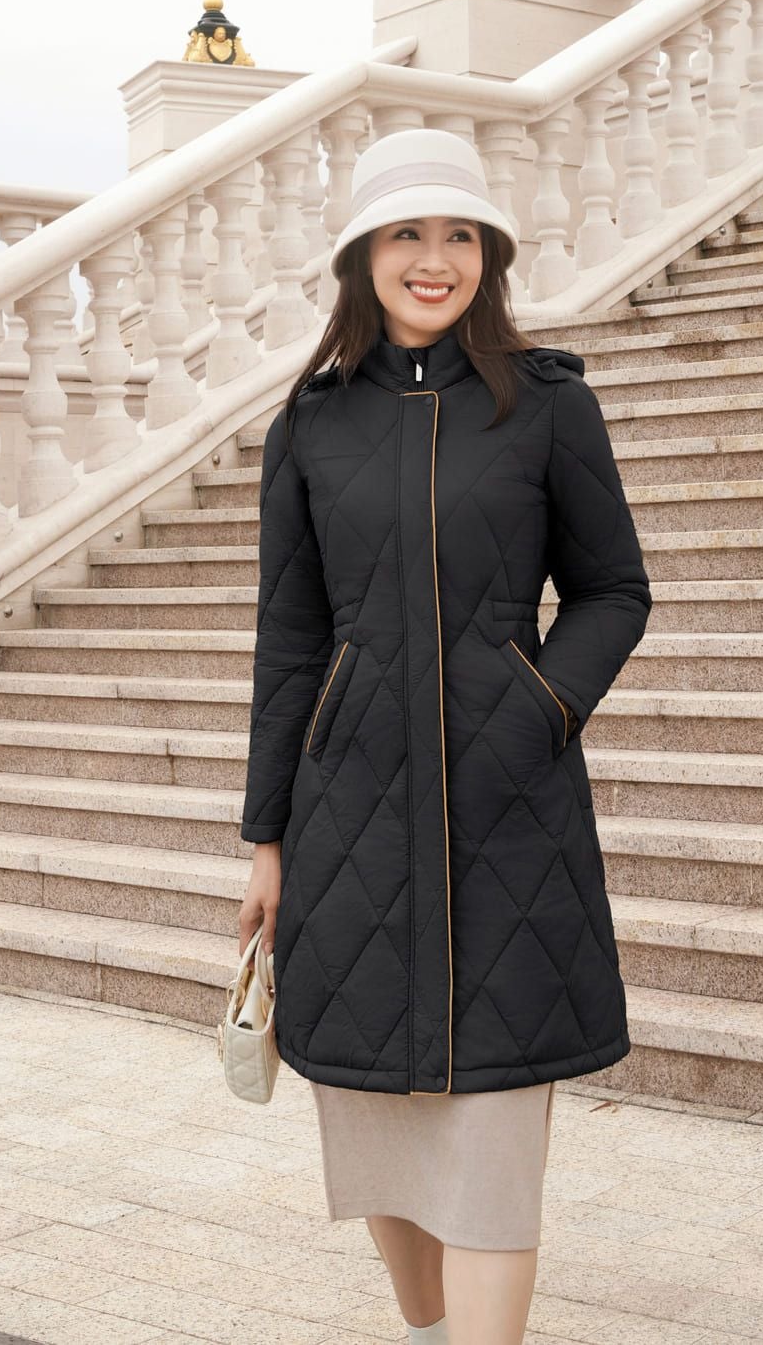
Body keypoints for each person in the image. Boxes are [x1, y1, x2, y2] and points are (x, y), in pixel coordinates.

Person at [237, 128, 652, 1344]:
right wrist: (266, 836)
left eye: (459, 233)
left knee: (489, 1152)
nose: (436, 258)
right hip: (350, 817)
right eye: (408, 233)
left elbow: (613, 590)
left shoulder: (548, 405)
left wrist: (536, 708)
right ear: (362, 255)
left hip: (509, 816)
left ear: (490, 254)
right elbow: (288, 640)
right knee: (376, 1125)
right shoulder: (309, 427)